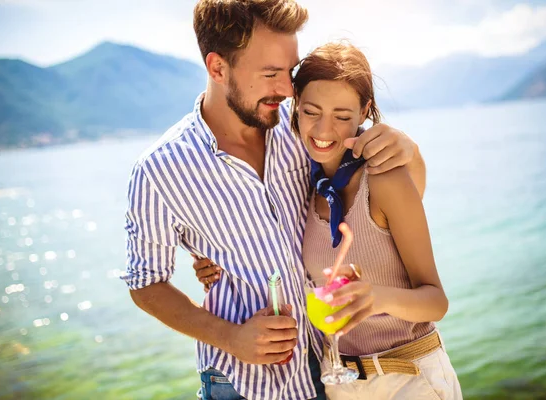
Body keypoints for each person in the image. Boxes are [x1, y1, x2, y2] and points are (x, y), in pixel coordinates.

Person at [123, 1, 426, 400]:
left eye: (289, 71)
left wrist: (408, 148)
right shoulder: (160, 170)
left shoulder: (302, 127)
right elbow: (146, 284)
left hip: (331, 370)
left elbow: (383, 198)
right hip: (244, 383)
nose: (286, 90)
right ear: (217, 69)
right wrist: (230, 337)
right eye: (270, 74)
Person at [196, 40, 462, 400]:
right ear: (295, 106)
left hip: (409, 377)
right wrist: (214, 262)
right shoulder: (299, 183)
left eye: (341, 116)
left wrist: (375, 298)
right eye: (311, 112)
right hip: (338, 383)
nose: (324, 131)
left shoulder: (385, 178)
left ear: (364, 110)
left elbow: (436, 302)